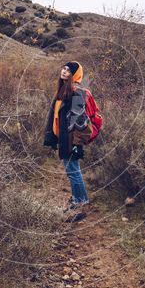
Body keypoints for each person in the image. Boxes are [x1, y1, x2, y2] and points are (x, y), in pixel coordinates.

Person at [43, 61, 100, 215]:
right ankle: (78, 199)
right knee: (72, 170)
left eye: (68, 71)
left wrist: (76, 144)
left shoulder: (76, 94)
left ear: (74, 75)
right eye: (64, 68)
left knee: (73, 171)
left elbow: (80, 123)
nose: (64, 72)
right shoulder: (62, 92)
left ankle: (82, 202)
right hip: (64, 139)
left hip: (72, 140)